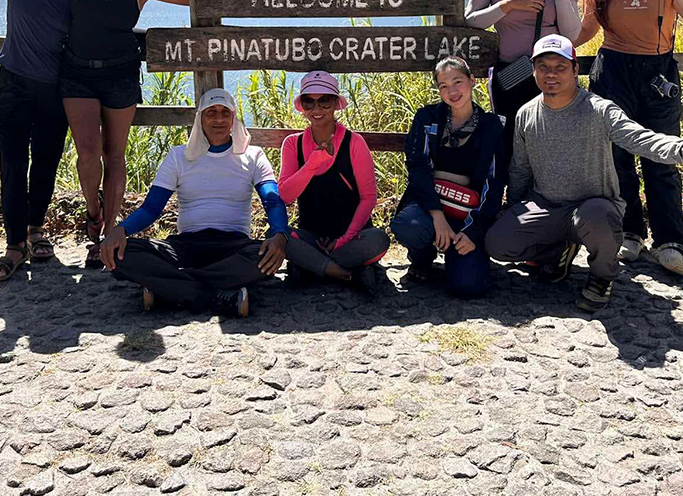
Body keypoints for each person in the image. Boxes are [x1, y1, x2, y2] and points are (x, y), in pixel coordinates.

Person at [485, 34, 683, 312]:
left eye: (560, 67)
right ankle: (560, 250)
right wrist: (515, 207)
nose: (551, 74)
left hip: (594, 209)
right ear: (533, 70)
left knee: (597, 215)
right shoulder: (526, 114)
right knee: (498, 243)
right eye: (543, 67)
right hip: (547, 206)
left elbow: (641, 139)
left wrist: (679, 149)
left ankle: (603, 276)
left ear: (576, 69)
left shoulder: (599, 110)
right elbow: (520, 168)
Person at [59, 0, 190, 266]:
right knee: (87, 153)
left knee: (114, 154)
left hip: (120, 76)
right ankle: (93, 212)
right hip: (76, 74)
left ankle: (107, 234)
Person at [100, 89, 290, 316]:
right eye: (211, 112)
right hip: (184, 246)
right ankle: (219, 293)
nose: (218, 119)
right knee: (123, 253)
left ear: (233, 118)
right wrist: (121, 230)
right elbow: (152, 207)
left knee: (262, 255)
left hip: (233, 246)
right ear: (200, 117)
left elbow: (273, 201)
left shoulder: (254, 155)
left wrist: (279, 234)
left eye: (224, 112)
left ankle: (172, 289)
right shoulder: (178, 156)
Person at [575, 0, 683, 276]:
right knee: (616, 156)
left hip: (657, 72)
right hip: (612, 72)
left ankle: (670, 240)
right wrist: (547, 48)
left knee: (662, 155)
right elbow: (586, 31)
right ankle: (631, 232)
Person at [0, 0, 76, 280]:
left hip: (54, 90)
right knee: (11, 163)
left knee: (45, 161)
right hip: (12, 83)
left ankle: (35, 228)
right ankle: (14, 244)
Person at [465, 0, 581, 159]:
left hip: (553, 72)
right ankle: (515, 196)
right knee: (510, 142)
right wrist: (508, 5)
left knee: (552, 140)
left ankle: (550, 196)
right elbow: (472, 19)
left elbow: (572, 34)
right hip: (511, 74)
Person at [390, 57, 506, 297]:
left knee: (468, 286)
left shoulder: (491, 127)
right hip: (430, 206)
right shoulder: (427, 119)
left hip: (467, 213)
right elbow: (418, 167)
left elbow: (494, 184)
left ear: (472, 81)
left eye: (458, 82)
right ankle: (422, 257)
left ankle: (462, 254)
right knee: (407, 226)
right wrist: (437, 216)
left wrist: (474, 233)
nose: (452, 91)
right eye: (444, 86)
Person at [278, 70, 389, 295]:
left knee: (379, 239)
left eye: (325, 101)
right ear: (302, 106)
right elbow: (284, 196)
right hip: (312, 235)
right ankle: (346, 272)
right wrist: (312, 164)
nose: (317, 109)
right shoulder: (293, 144)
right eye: (309, 102)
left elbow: (369, 198)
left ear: (336, 104)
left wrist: (345, 239)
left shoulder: (354, 142)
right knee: (278, 235)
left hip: (351, 236)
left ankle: (314, 267)